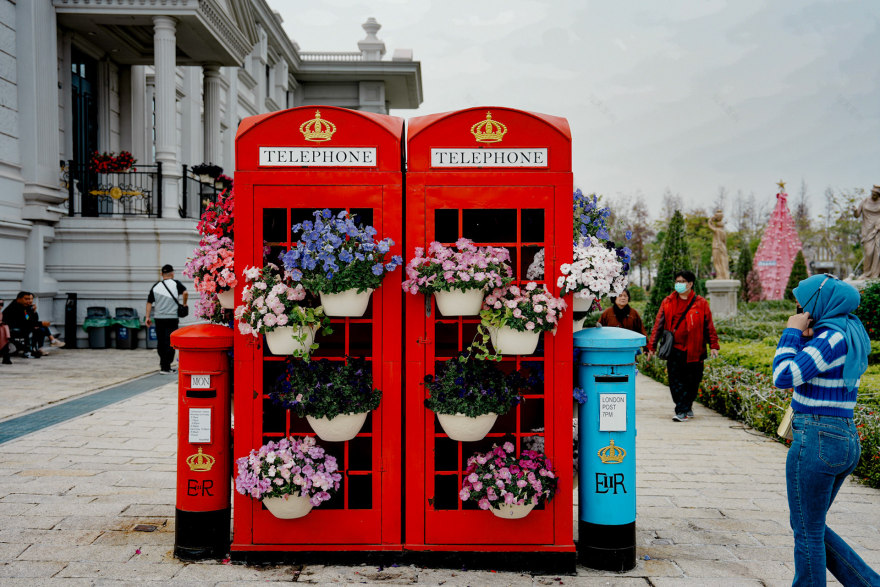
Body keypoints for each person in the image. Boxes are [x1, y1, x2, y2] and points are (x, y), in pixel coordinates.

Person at [773, 274, 880, 586]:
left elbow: (783, 375)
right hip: (841, 436)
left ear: (819, 303)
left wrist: (791, 333)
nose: (799, 306)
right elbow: (816, 371)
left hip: (819, 437)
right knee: (810, 525)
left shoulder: (829, 338)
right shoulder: (848, 330)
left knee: (807, 529)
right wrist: (805, 336)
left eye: (804, 301)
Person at [647, 270, 720, 422]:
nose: (679, 284)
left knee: (693, 382)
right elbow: (658, 326)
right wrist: (651, 347)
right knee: (675, 381)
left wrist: (714, 345)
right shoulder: (668, 301)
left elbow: (709, 326)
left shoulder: (701, 303)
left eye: (682, 282)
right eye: (677, 281)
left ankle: (687, 405)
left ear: (690, 284)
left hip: (696, 349)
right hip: (674, 349)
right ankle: (681, 410)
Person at [145, 264, 188, 374]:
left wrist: (148, 317)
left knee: (161, 341)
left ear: (162, 274)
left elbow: (149, 302)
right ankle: (167, 366)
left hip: (159, 318)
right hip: (172, 318)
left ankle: (163, 365)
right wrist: (184, 303)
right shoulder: (176, 284)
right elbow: (185, 292)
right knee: (170, 341)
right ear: (172, 273)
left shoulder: (156, 286)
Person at [854, 185, 880, 279]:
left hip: (878, 229)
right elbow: (857, 214)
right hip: (867, 230)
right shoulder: (864, 201)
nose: (873, 195)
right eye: (873, 193)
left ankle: (875, 275)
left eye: (876, 194)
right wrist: (854, 210)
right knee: (869, 253)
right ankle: (867, 273)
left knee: (878, 252)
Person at [707, 209, 730, 280]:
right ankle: (724, 275)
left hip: (716, 247)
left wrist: (711, 219)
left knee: (717, 262)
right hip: (723, 247)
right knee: (723, 261)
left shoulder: (717, 230)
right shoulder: (723, 232)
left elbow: (710, 225)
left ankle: (720, 275)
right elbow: (725, 242)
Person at [0, 300, 11, 364]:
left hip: (3, 331)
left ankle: (6, 358)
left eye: (2, 304)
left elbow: (28, 319)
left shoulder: (26, 310)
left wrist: (34, 312)